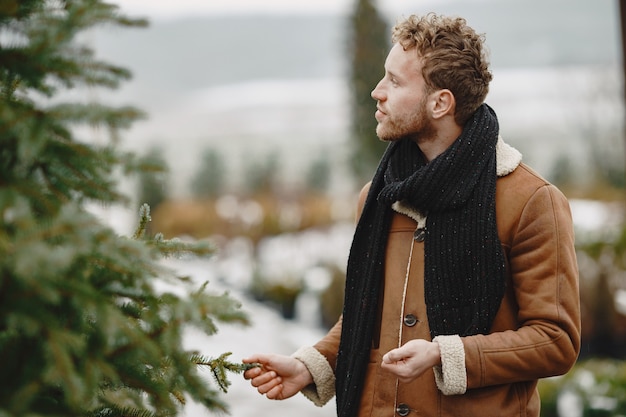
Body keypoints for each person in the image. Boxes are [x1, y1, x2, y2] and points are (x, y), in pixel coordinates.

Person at [243, 13, 580, 417]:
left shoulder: (530, 201)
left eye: (395, 81)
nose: (377, 92)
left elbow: (555, 340)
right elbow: (367, 316)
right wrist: (310, 365)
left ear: (440, 103)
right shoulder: (378, 195)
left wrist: (446, 354)